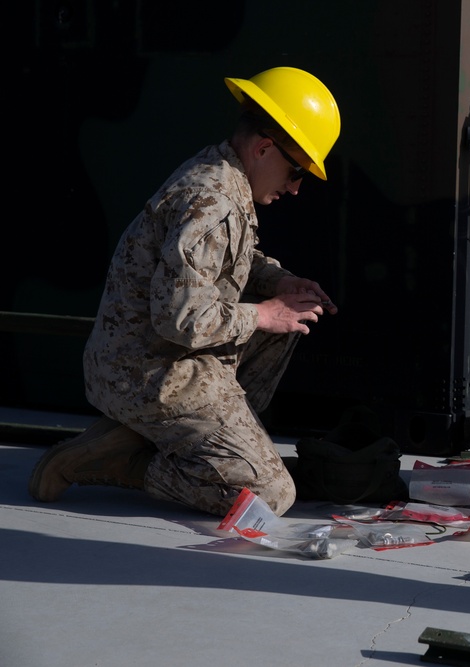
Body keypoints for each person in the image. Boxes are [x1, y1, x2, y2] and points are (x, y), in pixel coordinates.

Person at [29, 66, 342, 518]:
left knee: (289, 318)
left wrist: (278, 284)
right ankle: (126, 461)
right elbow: (179, 318)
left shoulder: (221, 173)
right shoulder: (213, 202)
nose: (295, 189)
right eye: (297, 172)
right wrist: (261, 314)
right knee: (270, 496)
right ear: (264, 148)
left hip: (159, 358)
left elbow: (224, 260)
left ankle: (197, 442)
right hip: (146, 372)